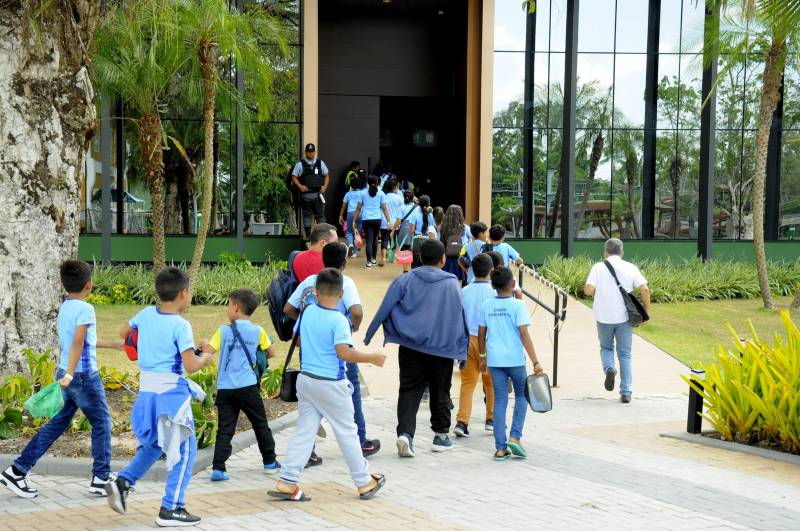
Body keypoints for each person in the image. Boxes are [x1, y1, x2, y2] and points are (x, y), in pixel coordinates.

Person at [1, 261, 123, 500]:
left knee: (57, 424)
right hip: (83, 376)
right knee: (102, 422)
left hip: (67, 373)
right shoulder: (86, 309)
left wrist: (114, 344)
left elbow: (82, 341)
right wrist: (70, 373)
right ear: (89, 285)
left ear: (62, 284)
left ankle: (17, 471)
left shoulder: (66, 307)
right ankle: (101, 477)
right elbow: (78, 342)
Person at [106, 267, 214, 527]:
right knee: (185, 450)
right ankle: (171, 508)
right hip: (171, 395)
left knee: (154, 444)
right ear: (184, 293)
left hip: (147, 392)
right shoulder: (180, 325)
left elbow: (124, 333)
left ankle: (123, 481)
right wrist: (206, 356)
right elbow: (190, 366)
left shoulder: (145, 315)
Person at [269, 268, 387, 502]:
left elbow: (300, 338)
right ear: (341, 293)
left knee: (304, 431)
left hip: (306, 380)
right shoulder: (340, 320)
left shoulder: (308, 311)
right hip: (331, 383)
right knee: (348, 433)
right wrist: (372, 357)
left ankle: (287, 480)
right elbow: (344, 352)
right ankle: (363, 481)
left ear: (315, 290)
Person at [365, 240, 468, 456]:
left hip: (410, 346)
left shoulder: (406, 279)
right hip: (442, 349)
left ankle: (405, 434)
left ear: (419, 257)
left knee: (409, 389)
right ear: (442, 260)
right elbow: (462, 318)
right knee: (441, 390)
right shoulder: (452, 285)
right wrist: (462, 349)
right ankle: (440, 436)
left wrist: (369, 335)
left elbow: (386, 306)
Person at [285, 242, 381, 457]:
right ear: (345, 263)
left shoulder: (310, 281)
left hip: (309, 346)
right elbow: (356, 312)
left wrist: (306, 322)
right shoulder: (344, 282)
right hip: (337, 346)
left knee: (308, 401)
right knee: (352, 389)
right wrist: (351, 327)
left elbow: (288, 308)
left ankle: (308, 452)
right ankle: (360, 441)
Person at [199, 289, 280, 482]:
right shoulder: (258, 331)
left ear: (235, 307)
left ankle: (219, 468)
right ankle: (270, 462)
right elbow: (272, 352)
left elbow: (208, 352)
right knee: (260, 424)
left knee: (225, 428)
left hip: (226, 389)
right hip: (248, 387)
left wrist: (202, 344)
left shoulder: (223, 330)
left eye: (229, 304)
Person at [478, 266, 544, 461]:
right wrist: (536, 361)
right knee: (522, 396)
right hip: (515, 359)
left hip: (495, 360)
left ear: (492, 285)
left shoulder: (487, 304)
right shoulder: (518, 305)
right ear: (513, 285)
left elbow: (481, 333)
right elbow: (524, 334)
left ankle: (500, 447)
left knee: (499, 401)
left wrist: (482, 357)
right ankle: (515, 437)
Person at [583, 238, 651, 404]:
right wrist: (646, 312)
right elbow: (645, 288)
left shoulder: (598, 267)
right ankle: (626, 391)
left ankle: (609, 368)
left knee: (606, 348)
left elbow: (588, 290)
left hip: (603, 317)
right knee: (625, 354)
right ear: (622, 252)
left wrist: (600, 291)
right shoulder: (630, 267)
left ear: (605, 252)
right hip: (624, 318)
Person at [454, 254, 496, 438]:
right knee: (491, 382)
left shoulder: (464, 291)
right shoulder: (495, 292)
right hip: (488, 342)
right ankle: (491, 420)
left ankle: (462, 422)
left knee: (468, 383)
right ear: (491, 270)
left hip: (468, 341)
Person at [291, 143, 330, 238]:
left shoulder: (320, 163)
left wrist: (324, 187)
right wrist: (300, 186)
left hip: (318, 194)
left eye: (312, 152)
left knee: (320, 216)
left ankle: (322, 236)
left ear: (315, 152)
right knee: (307, 215)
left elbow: (327, 175)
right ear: (305, 152)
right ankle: (308, 235)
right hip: (306, 194)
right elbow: (294, 177)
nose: (310, 154)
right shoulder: (300, 164)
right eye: (308, 152)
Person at [353, 175, 391, 269]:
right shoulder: (381, 193)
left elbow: (358, 208)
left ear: (367, 183)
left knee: (369, 241)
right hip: (377, 219)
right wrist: (389, 220)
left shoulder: (363, 193)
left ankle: (368, 263)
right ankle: (374, 259)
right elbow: (385, 208)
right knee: (375, 239)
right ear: (377, 183)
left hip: (366, 219)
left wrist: (354, 220)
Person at [439, 205, 469, 285]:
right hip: (460, 259)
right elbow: (470, 241)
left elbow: (440, 241)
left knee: (446, 285)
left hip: (446, 259)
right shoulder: (465, 227)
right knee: (459, 287)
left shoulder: (442, 227)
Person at [380, 178, 405, 266]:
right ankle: (394, 258)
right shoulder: (398, 198)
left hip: (384, 221)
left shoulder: (383, 196)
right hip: (395, 222)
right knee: (393, 239)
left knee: (384, 239)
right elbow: (403, 209)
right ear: (394, 187)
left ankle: (383, 257)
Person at [339, 174, 364, 258]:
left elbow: (343, 206)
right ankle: (355, 252)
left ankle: (350, 244)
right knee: (358, 232)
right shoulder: (362, 193)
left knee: (349, 231)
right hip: (360, 213)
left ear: (351, 185)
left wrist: (340, 216)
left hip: (350, 213)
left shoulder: (348, 194)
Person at [410, 195, 436, 270]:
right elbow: (432, 229)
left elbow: (411, 230)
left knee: (415, 264)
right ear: (428, 204)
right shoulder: (430, 214)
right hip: (427, 240)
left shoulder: (414, 214)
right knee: (426, 264)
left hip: (417, 240)